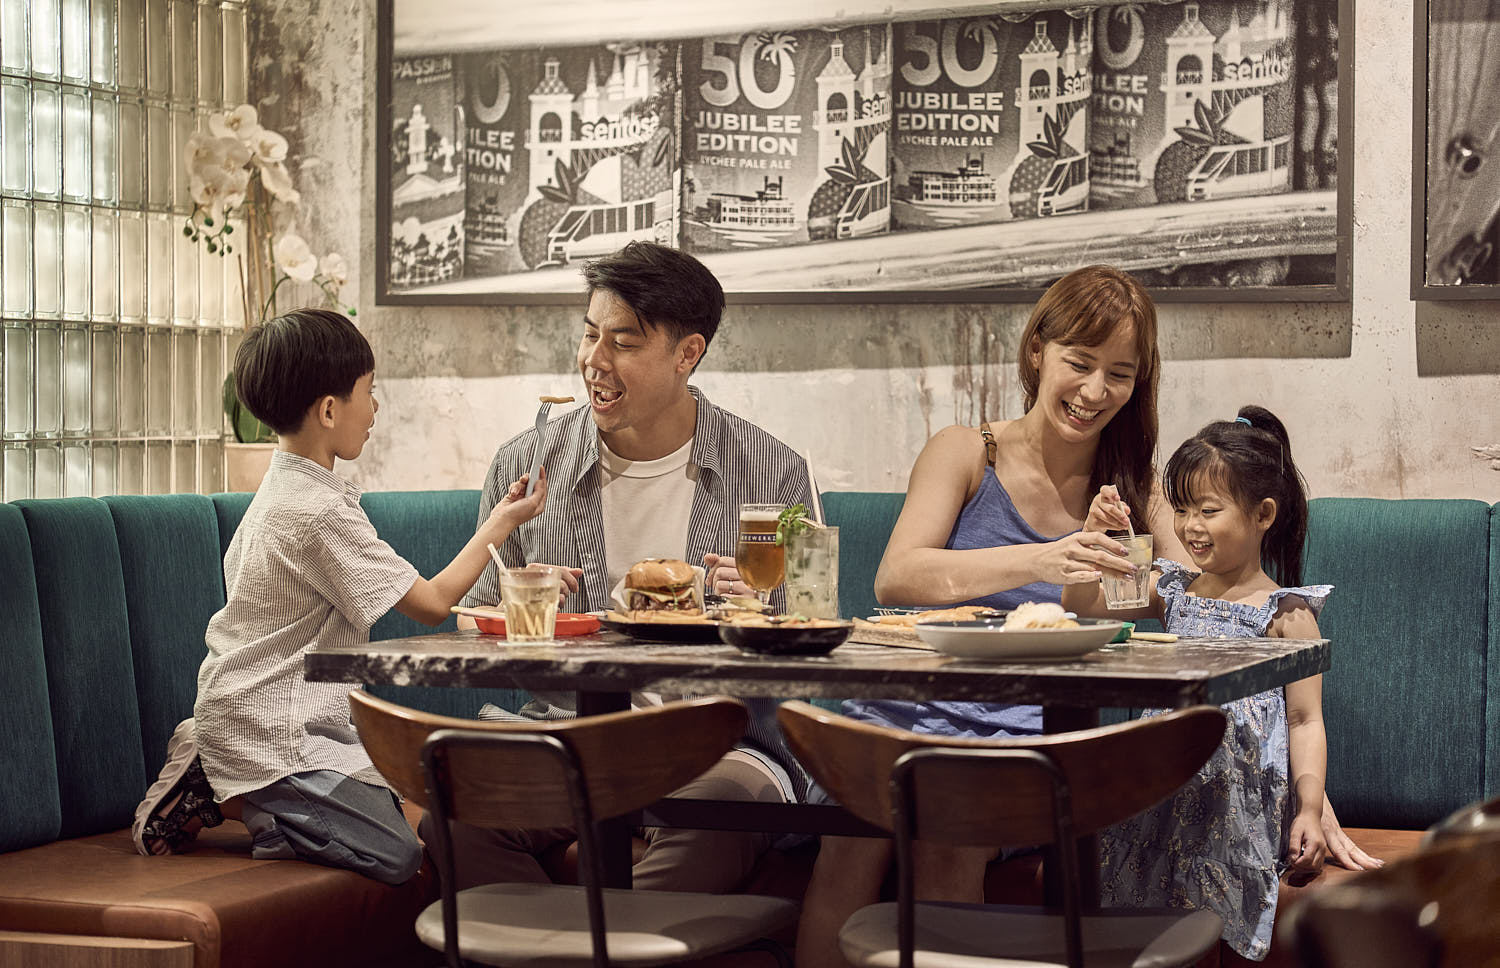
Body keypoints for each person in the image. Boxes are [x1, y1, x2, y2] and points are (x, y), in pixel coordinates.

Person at [795, 266, 1380, 968]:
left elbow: (1209, 605)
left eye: (1120, 374)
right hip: (912, 699)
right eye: (1080, 363)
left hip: (1039, 721)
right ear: (1037, 350)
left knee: (950, 839)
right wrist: (1041, 561)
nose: (1095, 391)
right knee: (847, 847)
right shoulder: (965, 451)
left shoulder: (1139, 488)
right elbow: (898, 578)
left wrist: (1298, 783)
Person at [431, 240, 814, 893]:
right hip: (566, 733)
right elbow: (477, 626)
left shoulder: (770, 472)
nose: (594, 362)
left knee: (718, 817)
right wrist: (531, 614)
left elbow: (807, 629)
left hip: (718, 741)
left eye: (624, 344)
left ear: (687, 353)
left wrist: (754, 604)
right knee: (458, 817)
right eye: (589, 336)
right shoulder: (528, 468)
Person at [131, 308, 547, 884]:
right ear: (329, 410)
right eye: (369, 393)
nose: (375, 410)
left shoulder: (293, 489)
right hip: (270, 729)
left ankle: (229, 778)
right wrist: (499, 525)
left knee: (415, 812)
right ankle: (221, 787)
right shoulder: (317, 512)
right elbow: (430, 603)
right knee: (396, 855)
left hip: (293, 718)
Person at [1063, 406, 1330, 962]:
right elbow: (1083, 607)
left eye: (1208, 510)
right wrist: (1093, 540)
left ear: (1263, 514)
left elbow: (1306, 720)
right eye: (1182, 510)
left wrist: (1308, 809)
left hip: (1237, 797)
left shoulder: (1287, 614)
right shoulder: (1172, 588)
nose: (1189, 526)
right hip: (1158, 777)